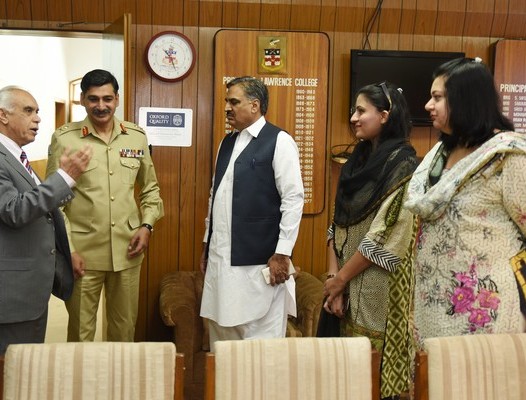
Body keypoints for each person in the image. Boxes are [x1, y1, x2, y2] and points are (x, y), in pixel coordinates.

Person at [405, 58, 526, 346]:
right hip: (432, 303)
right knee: (433, 372)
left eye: (437, 97)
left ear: (465, 100)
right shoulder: (439, 153)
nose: (428, 105)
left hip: (484, 311)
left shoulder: (507, 156)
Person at [46, 69, 164, 342]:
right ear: (83, 100)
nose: (101, 106)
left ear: (117, 99)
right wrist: (68, 250)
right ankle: (82, 374)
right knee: (81, 334)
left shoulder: (135, 136)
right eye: (93, 99)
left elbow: (151, 189)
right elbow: (54, 202)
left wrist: (147, 226)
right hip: (82, 256)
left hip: (127, 251)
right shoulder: (65, 138)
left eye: (107, 99)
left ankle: (118, 374)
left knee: (124, 332)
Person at [323, 82, 418, 399]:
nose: (353, 117)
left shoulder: (404, 166)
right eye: (354, 110)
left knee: (373, 379)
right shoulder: (356, 162)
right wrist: (333, 278)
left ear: (385, 115)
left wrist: (340, 280)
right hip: (343, 283)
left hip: (379, 289)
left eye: (361, 111)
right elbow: (336, 222)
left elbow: (383, 236)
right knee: (345, 379)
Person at [199, 76, 304, 350]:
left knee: (261, 351)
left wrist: (282, 253)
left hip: (260, 265)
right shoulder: (227, 143)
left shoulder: (279, 141)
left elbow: (293, 200)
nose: (227, 108)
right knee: (223, 346)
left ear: (255, 105)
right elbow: (215, 196)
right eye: (227, 102)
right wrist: (206, 246)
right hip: (222, 264)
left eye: (234, 102)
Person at [0, 86, 92, 354]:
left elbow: (42, 213)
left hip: (30, 290)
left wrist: (64, 251)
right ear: (3, 115)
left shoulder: (16, 156)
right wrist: (64, 177)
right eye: (28, 111)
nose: (38, 118)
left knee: (25, 365)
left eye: (37, 111)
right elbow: (14, 210)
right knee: (13, 368)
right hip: (13, 294)